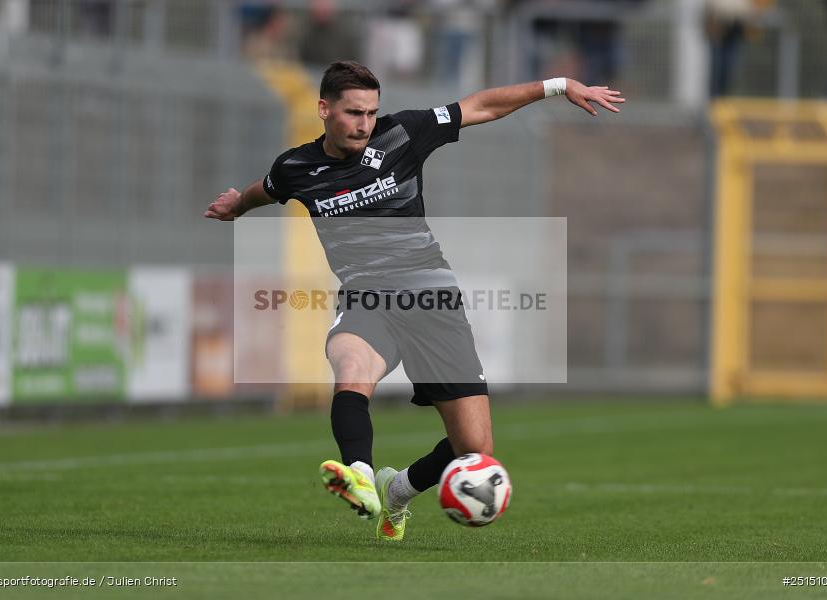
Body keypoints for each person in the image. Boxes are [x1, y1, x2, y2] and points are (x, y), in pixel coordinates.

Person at [204, 61, 623, 541]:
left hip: (430, 296)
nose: (364, 123)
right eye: (353, 112)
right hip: (366, 295)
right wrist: (238, 204)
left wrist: (557, 86)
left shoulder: (401, 134)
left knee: (476, 450)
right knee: (351, 366)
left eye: (370, 112)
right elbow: (270, 189)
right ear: (323, 110)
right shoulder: (297, 167)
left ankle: (397, 489)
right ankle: (358, 472)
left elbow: (480, 105)